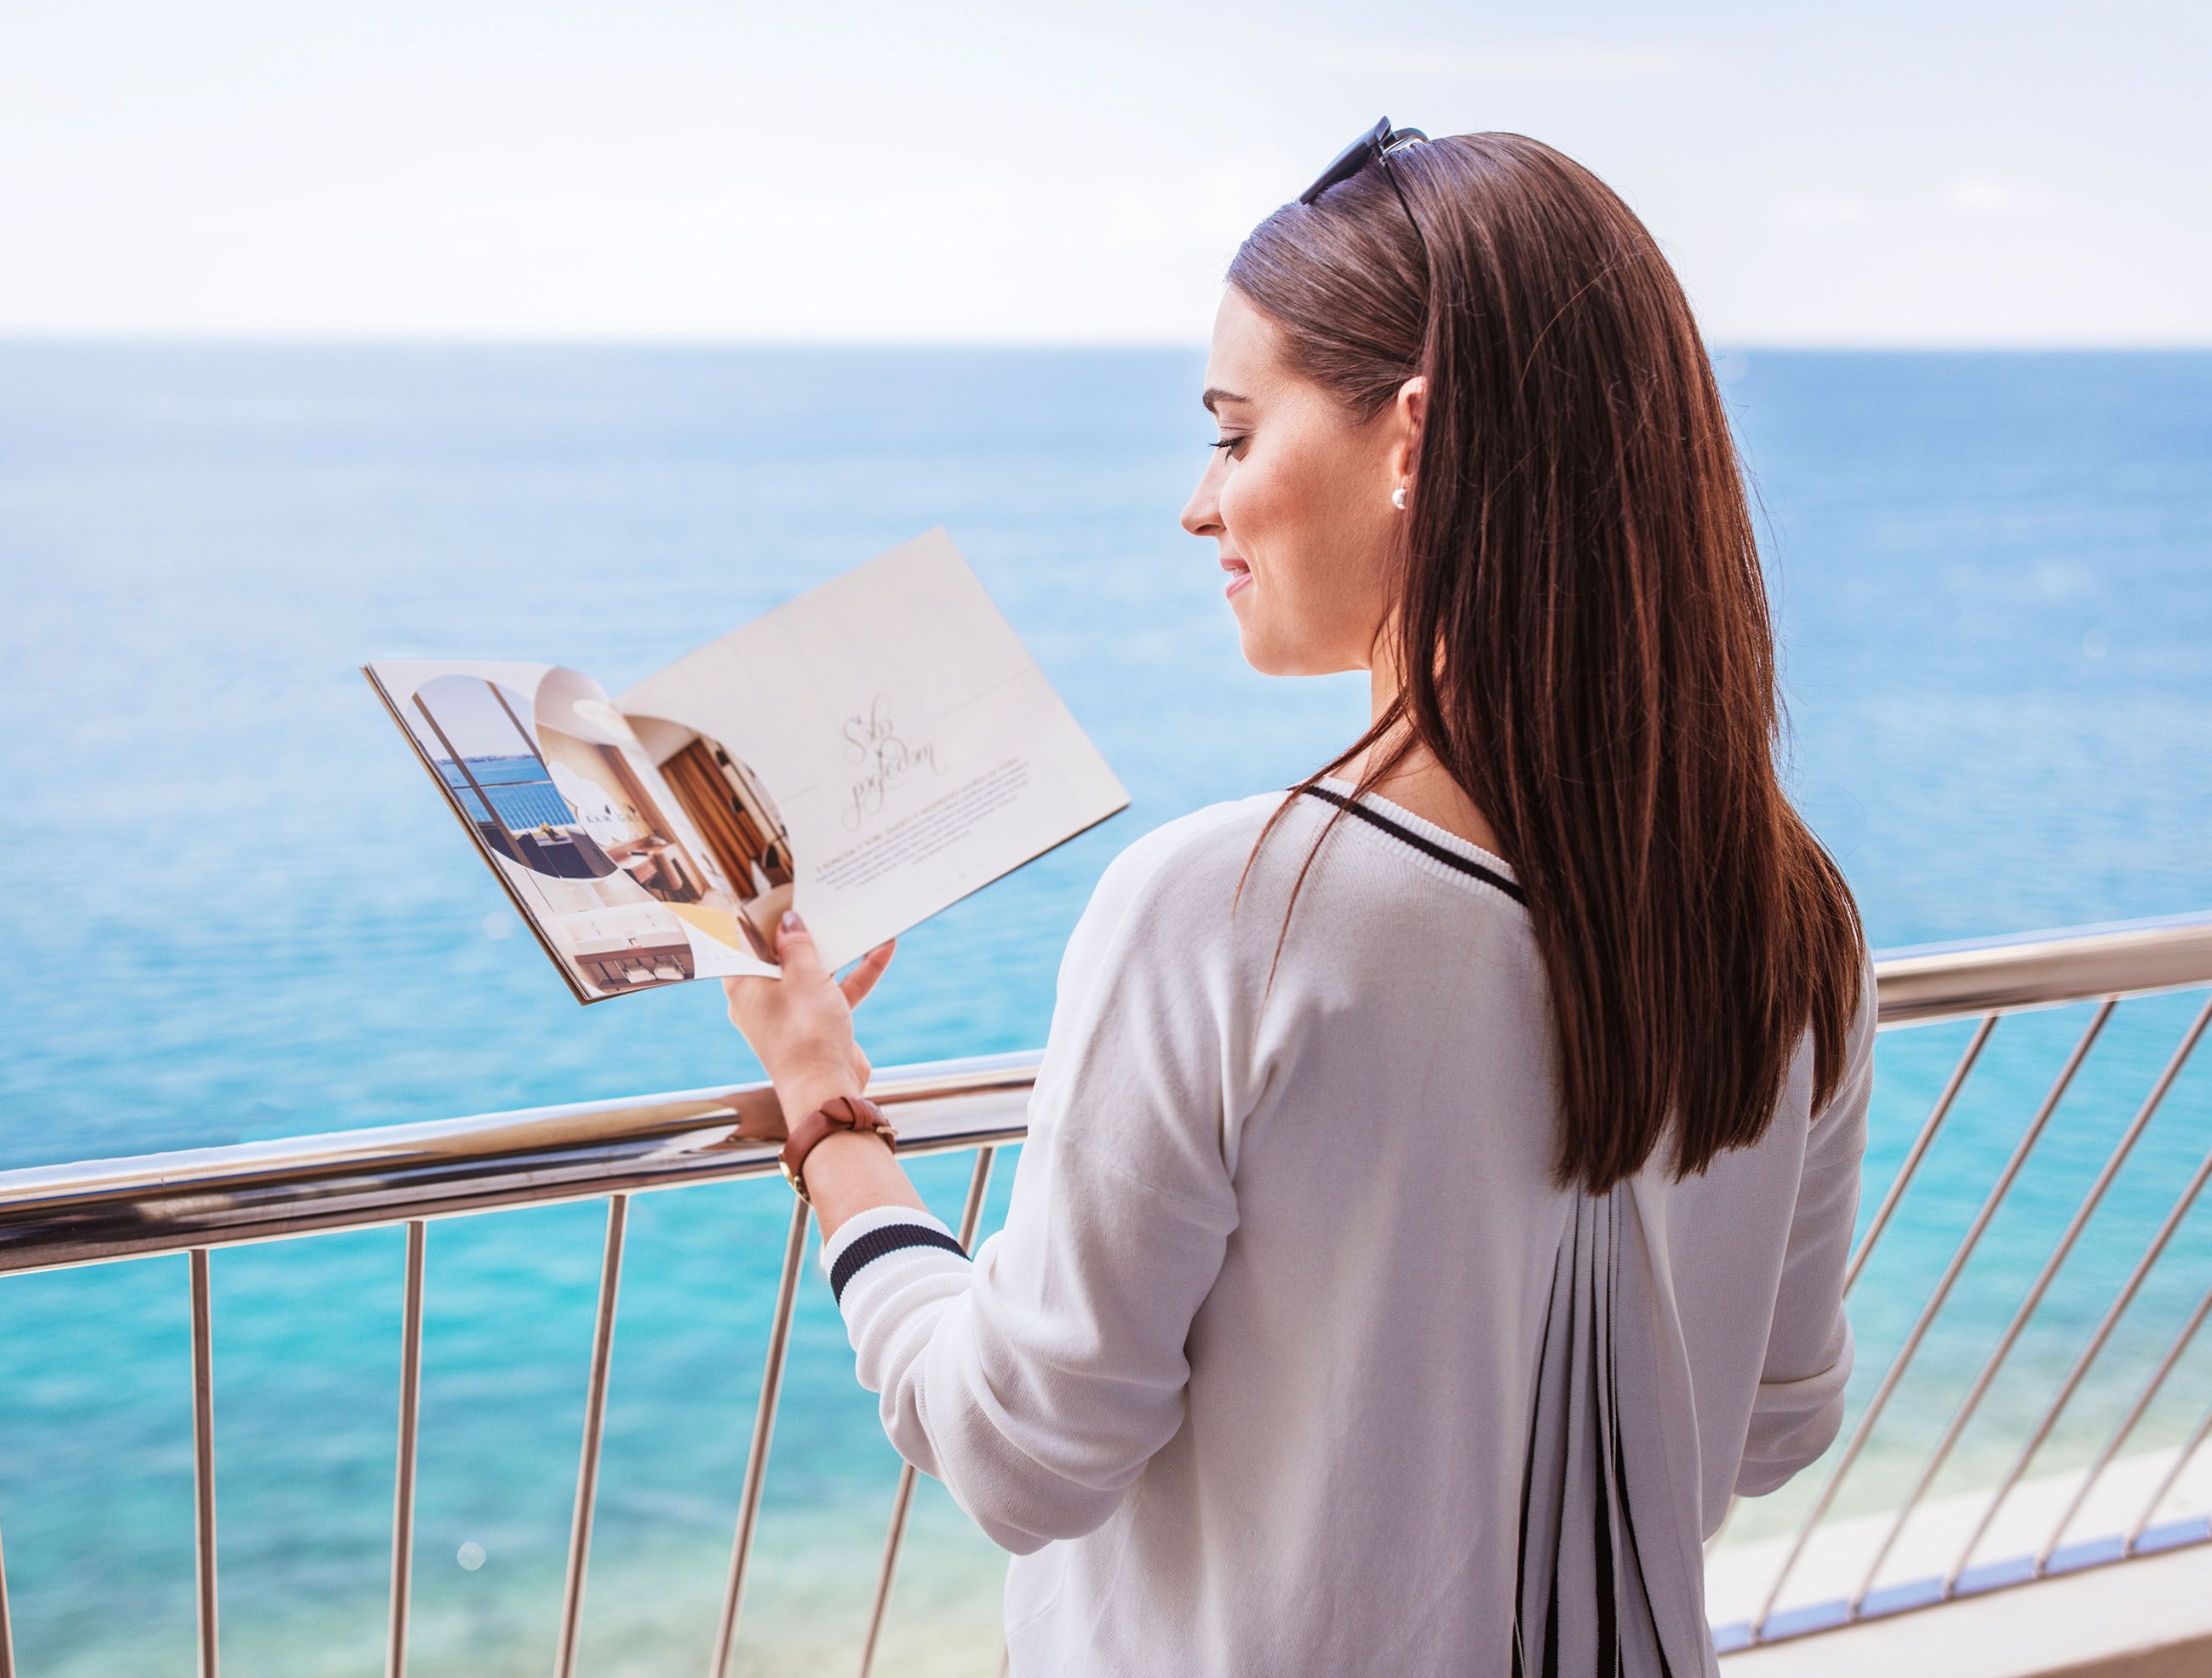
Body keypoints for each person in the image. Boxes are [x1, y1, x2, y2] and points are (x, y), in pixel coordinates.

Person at [722, 122, 1876, 1677]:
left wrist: (829, 1123)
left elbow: (1021, 1449)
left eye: (1233, 432)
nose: (1199, 506)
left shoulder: (1233, 909)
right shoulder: (1794, 922)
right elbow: (1771, 1425)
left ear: (1415, 442)